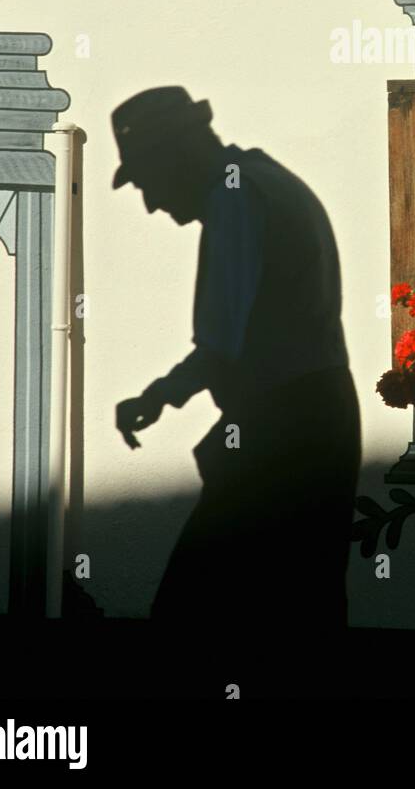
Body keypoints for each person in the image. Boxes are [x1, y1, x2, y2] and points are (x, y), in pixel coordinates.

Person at [112, 87, 360, 696]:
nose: (148, 203)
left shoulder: (236, 195)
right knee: (298, 616)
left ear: (176, 156)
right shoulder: (263, 180)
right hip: (317, 418)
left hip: (285, 430)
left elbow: (223, 343)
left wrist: (159, 394)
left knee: (193, 616)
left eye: (146, 179)